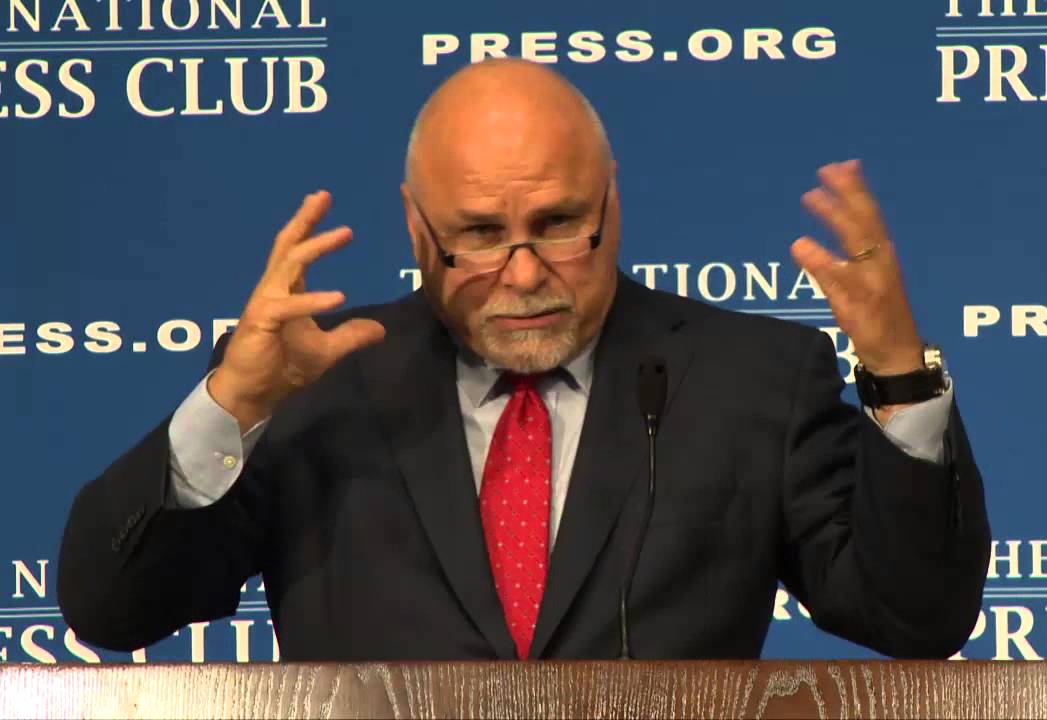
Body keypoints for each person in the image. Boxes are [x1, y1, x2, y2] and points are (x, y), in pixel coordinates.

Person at [57, 59, 990, 662]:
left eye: (558, 225)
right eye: (477, 234)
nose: (524, 271)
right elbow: (110, 610)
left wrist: (899, 374)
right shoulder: (318, 388)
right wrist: (232, 402)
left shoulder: (753, 376)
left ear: (611, 205)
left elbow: (915, 615)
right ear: (415, 227)